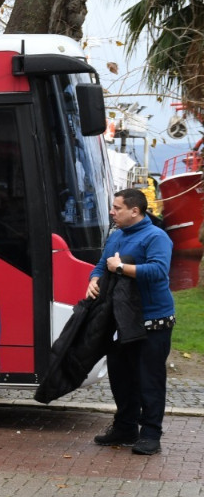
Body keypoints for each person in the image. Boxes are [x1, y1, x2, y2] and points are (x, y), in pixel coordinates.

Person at [88, 188, 175, 455]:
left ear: (135, 211)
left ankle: (151, 434)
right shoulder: (116, 236)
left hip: (153, 321)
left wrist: (121, 268)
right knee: (120, 376)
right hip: (120, 319)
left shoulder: (157, 237)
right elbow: (102, 264)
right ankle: (125, 428)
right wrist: (94, 279)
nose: (112, 212)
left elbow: (158, 270)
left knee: (149, 379)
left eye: (117, 208)